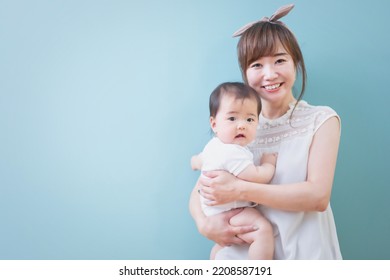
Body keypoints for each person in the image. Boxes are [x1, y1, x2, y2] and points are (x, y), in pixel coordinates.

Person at [189, 4, 342, 259]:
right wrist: (205, 225)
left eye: (280, 60)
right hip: (242, 258)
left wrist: (238, 189)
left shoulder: (321, 119)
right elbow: (202, 189)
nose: (269, 75)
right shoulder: (238, 126)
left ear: (296, 63)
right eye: (256, 65)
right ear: (245, 73)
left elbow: (317, 197)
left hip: (305, 255)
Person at [191, 82, 277, 259]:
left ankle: (216, 257)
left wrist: (194, 162)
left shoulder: (213, 145)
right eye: (232, 119)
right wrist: (269, 165)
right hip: (231, 210)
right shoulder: (233, 152)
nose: (241, 125)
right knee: (262, 229)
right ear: (214, 124)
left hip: (212, 211)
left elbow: (198, 160)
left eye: (250, 119)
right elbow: (257, 177)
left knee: (224, 245)